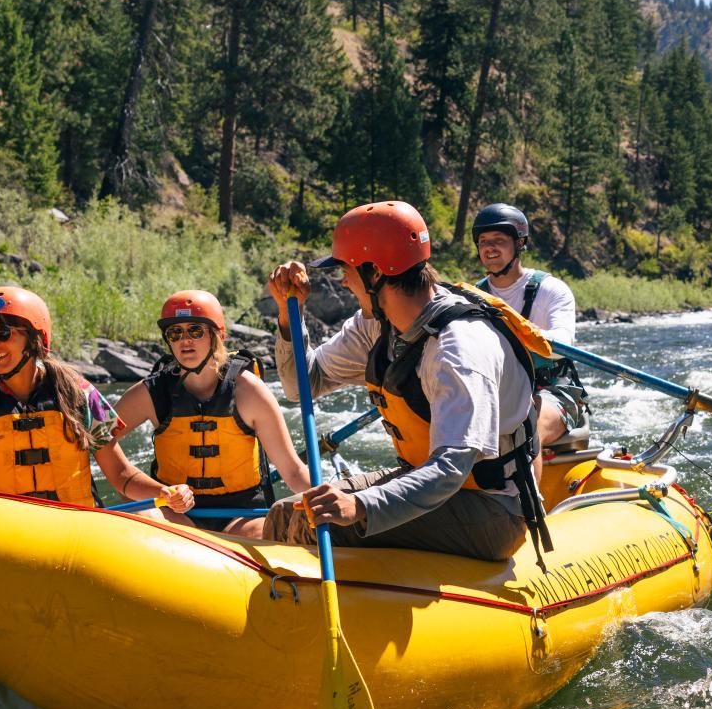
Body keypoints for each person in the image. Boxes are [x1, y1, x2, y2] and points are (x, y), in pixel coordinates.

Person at [262, 199, 553, 562]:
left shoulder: (458, 349)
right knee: (285, 515)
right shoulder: (375, 325)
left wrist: (361, 506)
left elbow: (450, 470)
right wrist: (291, 316)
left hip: (491, 510)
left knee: (318, 525)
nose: (342, 279)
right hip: (428, 486)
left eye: (347, 268)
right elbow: (301, 384)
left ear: (376, 272)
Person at [0, 286, 193, 514]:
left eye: (3, 332)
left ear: (35, 338)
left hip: (73, 533)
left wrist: (163, 492)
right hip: (2, 537)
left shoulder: (78, 393)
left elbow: (121, 474)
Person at [110, 289, 310, 534]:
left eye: (195, 330)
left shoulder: (248, 392)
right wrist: (136, 484)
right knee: (137, 512)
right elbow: (98, 440)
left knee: (270, 531)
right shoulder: (151, 393)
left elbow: (293, 471)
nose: (185, 340)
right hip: (173, 512)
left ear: (217, 334)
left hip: (242, 517)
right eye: (175, 332)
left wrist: (328, 505)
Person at [471, 201, 589, 450]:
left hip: (552, 389)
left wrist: (513, 332)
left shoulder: (552, 290)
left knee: (525, 432)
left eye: (498, 240)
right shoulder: (471, 297)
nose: (489, 247)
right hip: (497, 392)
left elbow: (561, 345)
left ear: (520, 243)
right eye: (483, 241)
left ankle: (530, 489)